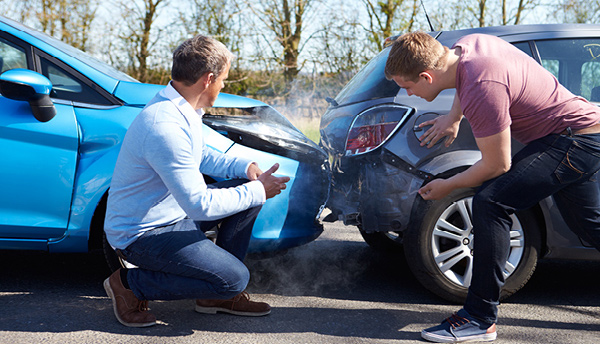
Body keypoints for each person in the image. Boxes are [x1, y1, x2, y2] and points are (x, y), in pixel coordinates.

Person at [385, 31, 600, 343]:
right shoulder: (468, 47)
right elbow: (465, 78)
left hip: (573, 140)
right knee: (590, 227)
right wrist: (453, 117)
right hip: (585, 133)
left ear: (426, 76)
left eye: (407, 87)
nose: (408, 94)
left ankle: (479, 317)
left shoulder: (482, 85)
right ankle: (479, 316)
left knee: (491, 202)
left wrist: (448, 185)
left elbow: (497, 165)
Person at [103, 34, 290, 327]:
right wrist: (258, 191)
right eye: (224, 79)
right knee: (235, 278)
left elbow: (200, 154)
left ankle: (214, 294)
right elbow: (199, 206)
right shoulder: (164, 126)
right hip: (142, 234)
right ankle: (130, 284)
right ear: (209, 79)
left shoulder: (181, 107)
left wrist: (246, 167)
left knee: (247, 194)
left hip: (172, 216)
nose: (224, 85)